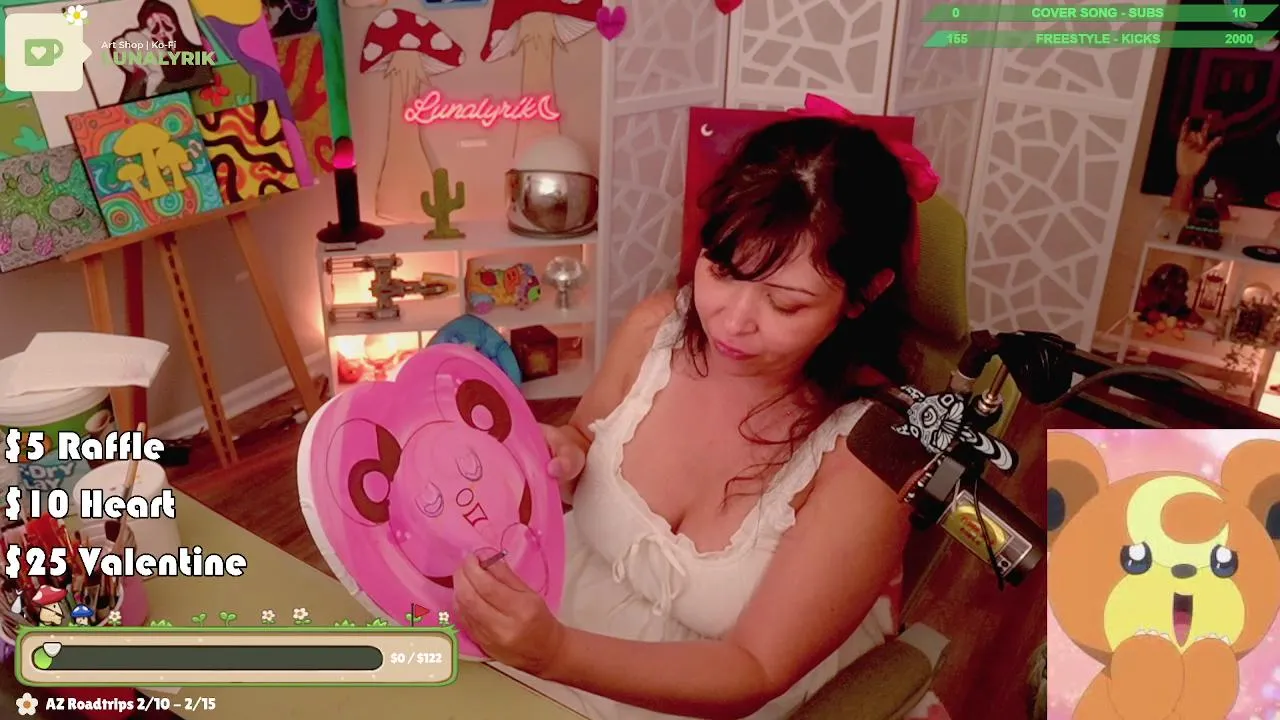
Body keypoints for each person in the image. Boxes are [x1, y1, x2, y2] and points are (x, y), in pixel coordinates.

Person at [452, 104, 936, 719]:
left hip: (698, 689)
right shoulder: (660, 327)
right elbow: (582, 436)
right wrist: (567, 453)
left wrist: (554, 653)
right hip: (555, 614)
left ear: (864, 295)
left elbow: (755, 668)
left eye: (785, 304)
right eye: (722, 271)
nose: (732, 322)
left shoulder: (874, 454)